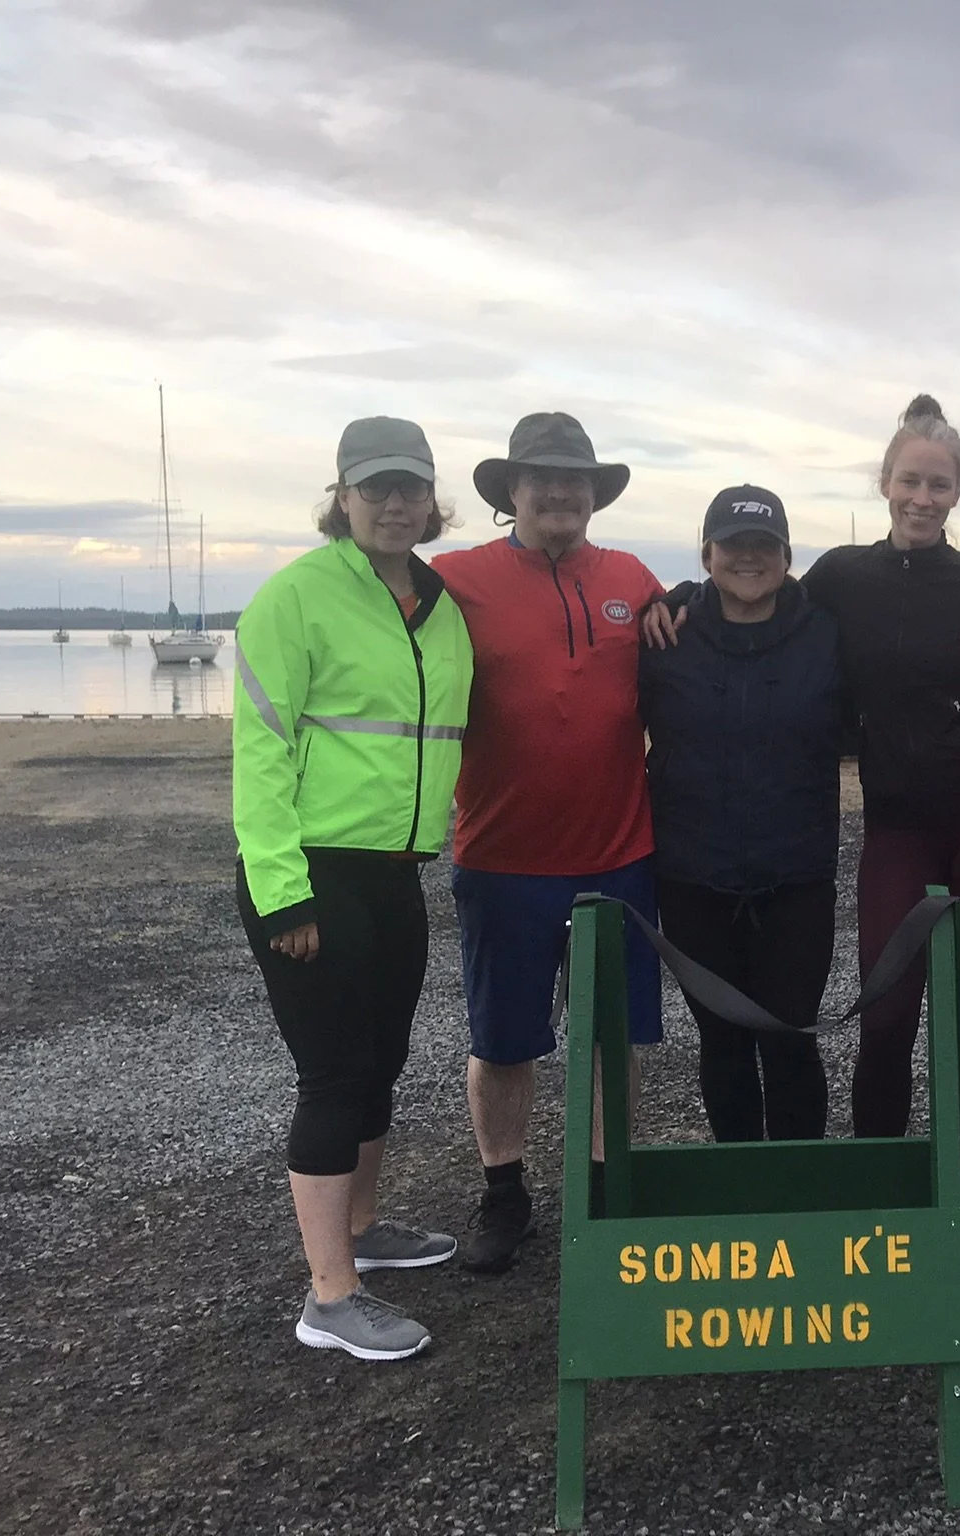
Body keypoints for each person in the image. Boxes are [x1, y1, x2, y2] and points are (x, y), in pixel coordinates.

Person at [643, 395, 960, 1256]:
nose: (922, 496)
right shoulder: (840, 577)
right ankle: (879, 1195)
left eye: (940, 483)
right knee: (884, 1017)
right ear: (885, 484)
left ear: (957, 492)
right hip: (893, 824)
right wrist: (679, 592)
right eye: (909, 480)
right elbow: (752, 595)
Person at [233, 416, 474, 1360]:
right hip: (312, 874)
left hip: (397, 873)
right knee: (334, 1076)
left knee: (381, 1063)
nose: (393, 502)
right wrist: (282, 893)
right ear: (341, 495)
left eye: (409, 486)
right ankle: (329, 1296)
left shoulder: (441, 606)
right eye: (374, 486)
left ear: (431, 497)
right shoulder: (296, 597)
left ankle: (364, 1235)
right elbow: (261, 753)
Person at [430, 412, 665, 1275]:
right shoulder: (453, 581)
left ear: (596, 493)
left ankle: (605, 1188)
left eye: (576, 479)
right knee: (503, 1041)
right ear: (511, 492)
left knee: (619, 1037)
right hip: (500, 857)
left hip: (621, 854)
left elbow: (696, 641)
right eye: (541, 477)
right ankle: (505, 1193)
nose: (561, 491)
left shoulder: (636, 580)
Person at [640, 485, 844, 1141]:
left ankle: (796, 1192)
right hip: (695, 878)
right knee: (722, 1041)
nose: (748, 558)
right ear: (706, 554)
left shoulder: (828, 634)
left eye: (764, 545)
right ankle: (738, 1190)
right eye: (734, 545)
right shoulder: (664, 636)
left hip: (796, 881)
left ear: (786, 556)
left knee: (790, 1040)